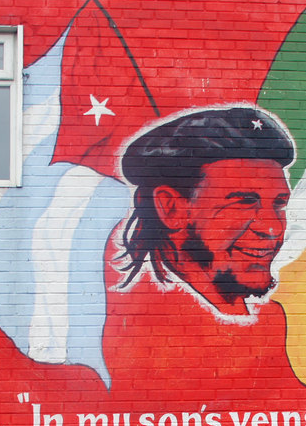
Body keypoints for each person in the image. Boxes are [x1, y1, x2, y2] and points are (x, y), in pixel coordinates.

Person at [116, 106, 295, 318]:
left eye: (279, 204)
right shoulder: (147, 315)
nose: (273, 228)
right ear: (171, 208)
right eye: (244, 202)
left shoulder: (271, 319)